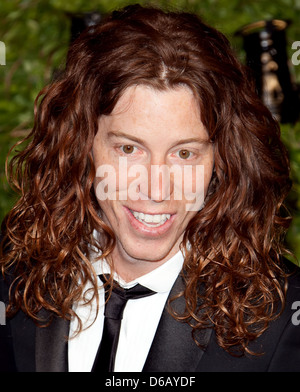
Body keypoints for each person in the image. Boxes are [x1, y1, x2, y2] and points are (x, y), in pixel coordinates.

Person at [0, 3, 300, 373]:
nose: (157, 189)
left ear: (222, 162)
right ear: (81, 145)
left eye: (185, 153)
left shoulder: (283, 315)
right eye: (129, 149)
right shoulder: (12, 276)